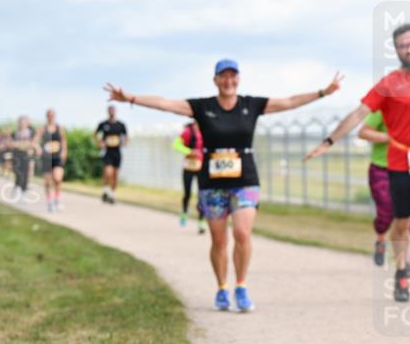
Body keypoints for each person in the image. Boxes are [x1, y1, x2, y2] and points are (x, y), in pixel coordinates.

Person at [103, 59, 342, 312]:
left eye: (233, 76)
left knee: (242, 233)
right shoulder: (202, 107)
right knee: (219, 241)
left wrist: (322, 93)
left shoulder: (251, 104)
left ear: (238, 79)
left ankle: (241, 285)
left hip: (245, 180)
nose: (229, 81)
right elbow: (165, 103)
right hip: (212, 183)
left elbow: (289, 101)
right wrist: (129, 97)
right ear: (215, 80)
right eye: (223, 76)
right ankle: (221, 288)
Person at [305, 24, 410, 304]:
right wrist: (328, 141)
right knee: (402, 222)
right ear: (397, 51)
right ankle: (400, 272)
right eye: (403, 46)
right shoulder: (389, 84)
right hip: (399, 164)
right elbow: (357, 115)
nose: (409, 49)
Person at [357, 110, 410, 269]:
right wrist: (392, 137)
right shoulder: (384, 108)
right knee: (385, 214)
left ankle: (405, 263)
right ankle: (381, 239)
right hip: (382, 168)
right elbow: (363, 132)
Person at [173, 120, 206, 234]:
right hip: (188, 167)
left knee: (202, 194)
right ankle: (185, 211)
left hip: (201, 166)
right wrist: (190, 151)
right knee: (187, 193)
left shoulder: (207, 130)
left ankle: (201, 221)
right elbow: (176, 144)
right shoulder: (188, 131)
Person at [35, 109, 68, 212]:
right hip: (46, 158)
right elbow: (35, 141)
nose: (51, 117)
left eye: (52, 115)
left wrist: (64, 152)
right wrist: (38, 148)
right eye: (49, 115)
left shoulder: (59, 128)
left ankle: (57, 200)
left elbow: (64, 141)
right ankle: (50, 202)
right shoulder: (42, 128)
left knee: (58, 179)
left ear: (55, 116)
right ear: (47, 116)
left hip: (57, 157)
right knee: (48, 182)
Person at [94, 105, 127, 203]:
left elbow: (125, 137)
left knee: (115, 175)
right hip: (107, 152)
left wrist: (124, 143)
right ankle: (105, 190)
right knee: (108, 173)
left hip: (117, 152)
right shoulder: (103, 124)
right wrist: (100, 143)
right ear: (108, 112)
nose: (111, 112)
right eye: (110, 110)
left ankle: (112, 195)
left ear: (115, 111)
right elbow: (95, 134)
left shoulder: (121, 125)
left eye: (113, 110)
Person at [11, 116, 35, 198]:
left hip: (26, 155)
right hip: (17, 155)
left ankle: (24, 191)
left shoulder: (31, 132)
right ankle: (16, 187)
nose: (23, 124)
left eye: (25, 122)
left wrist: (24, 145)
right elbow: (12, 144)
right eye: (21, 122)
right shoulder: (15, 133)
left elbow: (32, 143)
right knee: (17, 172)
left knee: (25, 173)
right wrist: (21, 145)